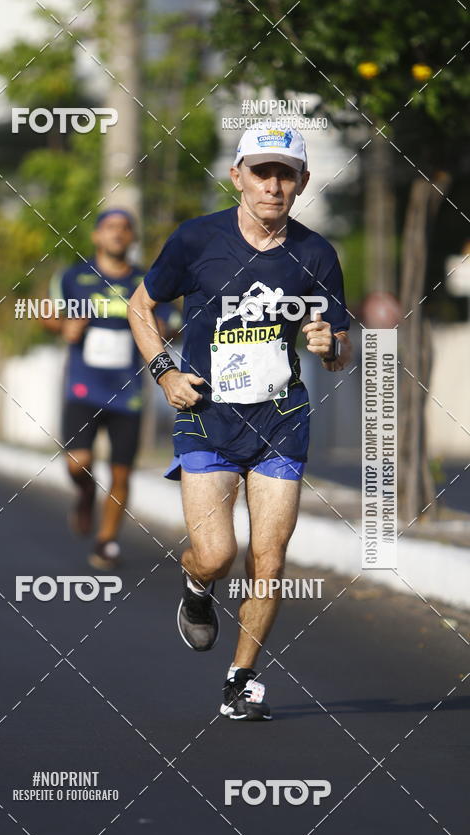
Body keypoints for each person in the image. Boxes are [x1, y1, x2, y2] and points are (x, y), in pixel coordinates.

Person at [128, 123, 352, 721]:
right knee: (216, 552)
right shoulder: (196, 240)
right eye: (261, 172)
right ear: (237, 177)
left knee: (271, 556)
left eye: (285, 174)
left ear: (302, 183)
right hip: (207, 416)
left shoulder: (317, 254)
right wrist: (165, 374)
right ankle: (198, 587)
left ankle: (242, 676)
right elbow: (141, 305)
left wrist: (330, 344)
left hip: (282, 419)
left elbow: (341, 350)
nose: (272, 186)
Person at [51, 209, 178, 570]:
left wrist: (166, 331)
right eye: (110, 228)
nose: (118, 234)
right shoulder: (74, 277)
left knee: (121, 473)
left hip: (128, 393)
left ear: (133, 237)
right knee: (79, 464)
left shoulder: (147, 281)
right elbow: (48, 313)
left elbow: (172, 320)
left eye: (125, 229)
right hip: (82, 387)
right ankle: (85, 492)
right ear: (96, 236)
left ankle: (106, 542)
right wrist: (63, 326)